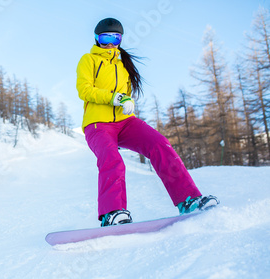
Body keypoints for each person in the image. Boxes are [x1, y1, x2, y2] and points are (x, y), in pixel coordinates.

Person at [76, 18, 219, 227]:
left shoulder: (123, 65)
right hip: (97, 124)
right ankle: (112, 213)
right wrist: (114, 97)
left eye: (115, 38)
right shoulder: (88, 60)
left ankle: (188, 200)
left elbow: (124, 95)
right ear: (96, 39)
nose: (110, 43)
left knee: (159, 144)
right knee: (112, 159)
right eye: (105, 38)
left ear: (120, 40)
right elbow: (84, 90)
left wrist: (127, 101)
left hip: (125, 122)